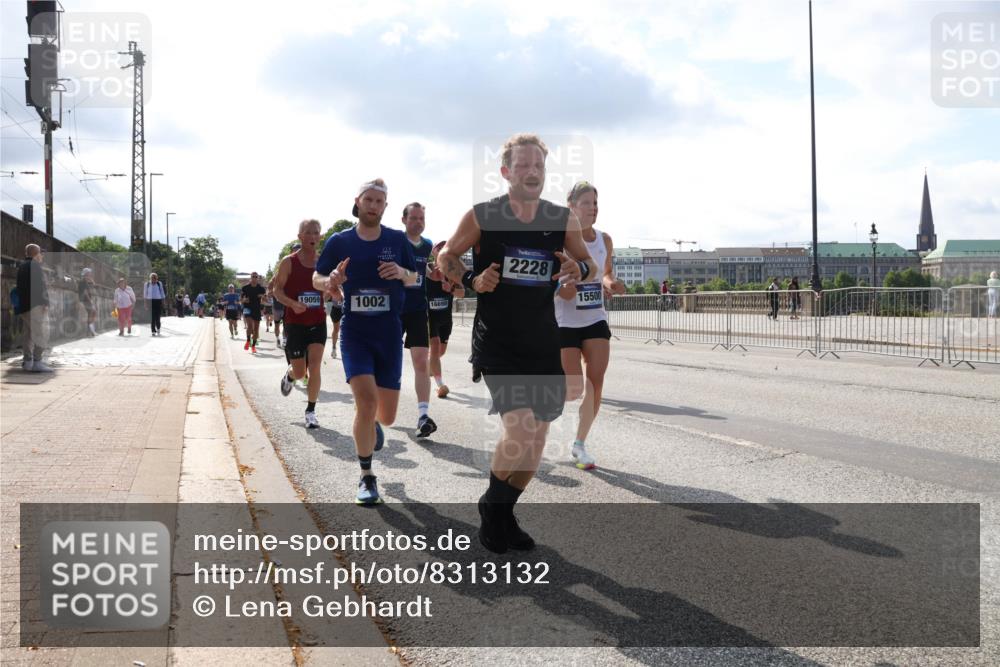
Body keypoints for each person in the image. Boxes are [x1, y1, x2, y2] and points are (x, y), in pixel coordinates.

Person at [437, 133, 597, 553]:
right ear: (506, 171)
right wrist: (472, 280)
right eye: (523, 165)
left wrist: (575, 268)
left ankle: (504, 513)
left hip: (544, 339)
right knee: (521, 427)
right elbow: (446, 257)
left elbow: (588, 262)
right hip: (499, 341)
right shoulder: (483, 215)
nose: (532, 172)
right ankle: (492, 507)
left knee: (537, 439)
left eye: (539, 166)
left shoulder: (561, 218)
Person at [313, 178, 418, 505]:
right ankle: (367, 476)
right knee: (366, 400)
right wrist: (329, 280)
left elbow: (415, 277)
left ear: (385, 207)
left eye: (379, 201)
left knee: (385, 415)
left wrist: (401, 271)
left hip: (388, 333)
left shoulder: (397, 239)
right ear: (357, 202)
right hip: (355, 332)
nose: (373, 206)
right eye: (368, 200)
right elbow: (317, 277)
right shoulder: (339, 241)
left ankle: (374, 425)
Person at [555, 181, 626, 471]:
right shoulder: (559, 241)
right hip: (565, 321)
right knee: (572, 389)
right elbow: (557, 285)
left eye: (596, 203)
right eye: (587, 202)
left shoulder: (604, 240)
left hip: (595, 317)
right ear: (571, 206)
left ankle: (579, 444)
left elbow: (605, 272)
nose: (593, 208)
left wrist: (611, 283)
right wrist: (566, 288)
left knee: (596, 382)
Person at [275, 220, 328, 429]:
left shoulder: (323, 262)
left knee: (314, 367)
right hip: (295, 322)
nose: (312, 237)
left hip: (317, 321)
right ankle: (289, 375)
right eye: (308, 233)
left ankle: (311, 411)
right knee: (300, 372)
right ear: (300, 236)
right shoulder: (289, 262)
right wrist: (292, 304)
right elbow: (277, 291)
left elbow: (328, 286)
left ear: (320, 237)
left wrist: (336, 291)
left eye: (316, 233)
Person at [399, 202, 437, 438]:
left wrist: (435, 273)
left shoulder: (428, 245)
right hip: (394, 310)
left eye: (421, 218)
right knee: (388, 361)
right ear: (403, 220)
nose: (418, 222)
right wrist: (410, 276)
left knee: (422, 362)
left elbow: (424, 269)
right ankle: (372, 410)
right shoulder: (394, 242)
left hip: (417, 310)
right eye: (413, 218)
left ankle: (423, 416)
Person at [425, 240, 464, 398]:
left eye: (445, 246)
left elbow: (461, 293)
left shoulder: (453, 273)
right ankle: (440, 385)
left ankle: (429, 366)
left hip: (445, 318)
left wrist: (452, 288)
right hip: (429, 317)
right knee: (434, 347)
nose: (442, 248)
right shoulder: (426, 269)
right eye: (439, 246)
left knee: (441, 352)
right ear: (434, 251)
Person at [16, 244, 53, 372]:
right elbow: (39, 286)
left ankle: (27, 362)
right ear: (36, 253)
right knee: (42, 333)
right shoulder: (35, 265)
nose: (42, 256)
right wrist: (45, 302)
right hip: (35, 305)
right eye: (41, 253)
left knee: (28, 334)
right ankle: (37, 362)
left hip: (24, 306)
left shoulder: (21, 266)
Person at [241, 272, 266, 353]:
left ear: (258, 278)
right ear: (250, 278)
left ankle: (253, 346)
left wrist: (262, 297)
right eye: (253, 276)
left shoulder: (261, 289)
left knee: (256, 329)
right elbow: (241, 300)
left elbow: (265, 300)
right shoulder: (245, 288)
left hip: (256, 309)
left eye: (256, 277)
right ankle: (248, 340)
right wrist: (244, 300)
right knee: (250, 326)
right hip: (247, 308)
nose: (254, 278)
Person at [78, 268, 98, 337]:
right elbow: (85, 293)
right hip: (85, 301)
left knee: (92, 313)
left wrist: (92, 281)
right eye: (89, 274)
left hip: (87, 300)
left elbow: (94, 286)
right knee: (92, 312)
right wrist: (90, 301)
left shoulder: (86, 282)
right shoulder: (82, 282)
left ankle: (90, 331)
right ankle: (91, 331)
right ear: (85, 274)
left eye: (90, 274)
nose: (90, 275)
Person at [328, 289, 343, 358]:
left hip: (347, 308)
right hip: (336, 309)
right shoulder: (335, 284)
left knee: (347, 329)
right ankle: (334, 348)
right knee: (336, 329)